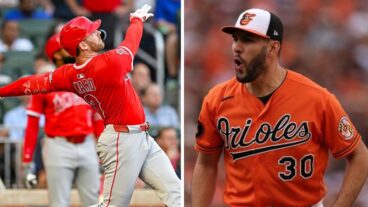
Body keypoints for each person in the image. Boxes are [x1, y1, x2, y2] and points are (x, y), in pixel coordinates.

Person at [0, 5, 180, 207]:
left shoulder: (68, 74)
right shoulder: (109, 63)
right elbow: (131, 42)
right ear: (83, 46)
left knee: (176, 192)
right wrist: (137, 19)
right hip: (122, 139)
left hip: (138, 137)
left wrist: (2, 91)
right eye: (92, 32)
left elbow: (31, 82)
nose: (98, 32)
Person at [191, 8, 368, 207]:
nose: (236, 47)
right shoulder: (217, 99)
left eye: (248, 40)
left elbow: (359, 155)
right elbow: (206, 164)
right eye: (235, 39)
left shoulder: (316, 98)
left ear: (273, 48)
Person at [22, 34, 104, 207]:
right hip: (58, 145)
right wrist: (27, 159)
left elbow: (96, 118)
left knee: (94, 200)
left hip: (87, 142)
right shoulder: (44, 80)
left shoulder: (88, 75)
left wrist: (104, 150)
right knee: (59, 202)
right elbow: (32, 122)